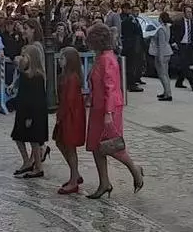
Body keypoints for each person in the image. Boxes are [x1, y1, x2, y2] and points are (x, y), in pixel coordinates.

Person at [85, 23, 144, 199]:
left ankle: (135, 170)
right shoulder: (101, 56)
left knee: (112, 146)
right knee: (96, 146)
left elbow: (111, 87)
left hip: (107, 109)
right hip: (98, 107)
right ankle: (104, 183)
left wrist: (108, 113)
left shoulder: (106, 59)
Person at [10, 44, 49, 179]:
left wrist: (30, 116)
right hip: (23, 109)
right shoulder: (24, 74)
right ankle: (27, 161)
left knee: (34, 140)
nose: (22, 58)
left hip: (32, 112)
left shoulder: (36, 76)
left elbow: (35, 99)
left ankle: (38, 166)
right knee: (18, 136)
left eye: (24, 56)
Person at [54, 47, 86, 194]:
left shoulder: (71, 78)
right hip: (68, 114)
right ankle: (75, 174)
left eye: (62, 58)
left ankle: (74, 180)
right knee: (61, 143)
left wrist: (60, 116)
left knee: (69, 146)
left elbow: (69, 101)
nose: (60, 60)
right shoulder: (66, 76)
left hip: (70, 116)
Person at [172, 6, 193, 92]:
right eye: (188, 12)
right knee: (185, 65)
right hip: (181, 45)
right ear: (184, 13)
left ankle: (179, 82)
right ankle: (192, 81)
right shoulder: (178, 22)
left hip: (190, 45)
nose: (190, 13)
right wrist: (174, 42)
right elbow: (173, 33)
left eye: (191, 12)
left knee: (185, 64)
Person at [149, 12, 174, 101]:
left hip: (161, 53)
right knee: (165, 74)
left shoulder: (160, 29)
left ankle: (168, 94)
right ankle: (166, 92)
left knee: (162, 74)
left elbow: (161, 44)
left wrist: (160, 57)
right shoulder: (167, 27)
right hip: (168, 51)